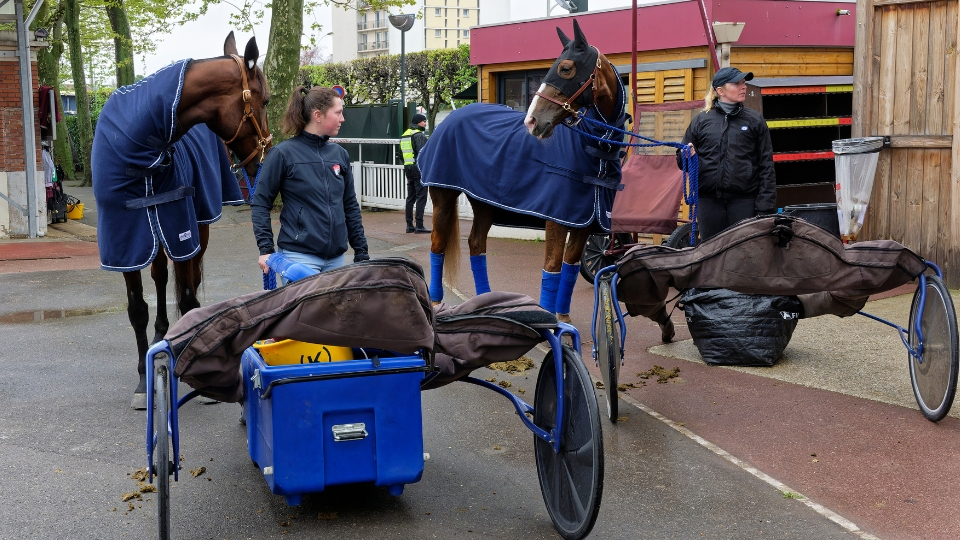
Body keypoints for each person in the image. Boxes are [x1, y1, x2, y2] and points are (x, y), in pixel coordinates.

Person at [251, 86, 370, 281]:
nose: (342, 119)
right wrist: (266, 249)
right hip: (298, 259)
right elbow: (260, 203)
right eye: (338, 113)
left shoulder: (340, 154)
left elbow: (350, 206)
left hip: (336, 260)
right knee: (306, 313)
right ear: (318, 115)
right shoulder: (283, 154)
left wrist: (361, 252)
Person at [679, 66, 776, 242]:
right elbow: (681, 161)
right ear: (720, 90)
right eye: (737, 83)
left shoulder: (755, 120)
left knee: (744, 256)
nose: (743, 87)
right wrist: (686, 156)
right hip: (709, 203)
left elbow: (766, 166)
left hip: (745, 203)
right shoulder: (701, 121)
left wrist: (765, 207)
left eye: (744, 83)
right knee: (711, 256)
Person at [401, 113, 430, 234]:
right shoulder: (419, 135)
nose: (425, 123)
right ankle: (419, 225)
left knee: (410, 198)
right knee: (421, 197)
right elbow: (423, 154)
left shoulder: (405, 135)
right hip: (418, 169)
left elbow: (401, 154)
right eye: (424, 121)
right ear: (418, 123)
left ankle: (409, 225)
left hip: (408, 168)